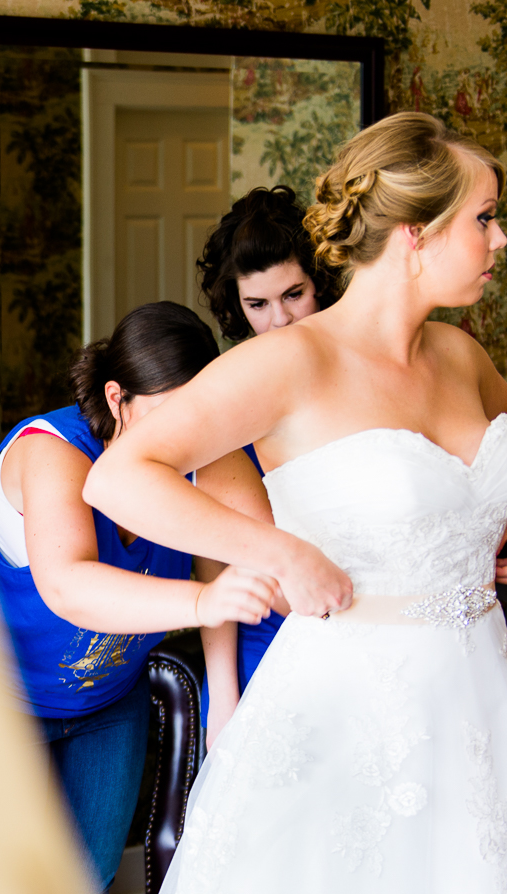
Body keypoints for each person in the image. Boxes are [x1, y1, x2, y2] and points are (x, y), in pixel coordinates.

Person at [85, 112, 507, 894]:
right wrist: (272, 550)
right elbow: (121, 477)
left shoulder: (458, 354)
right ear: (417, 236)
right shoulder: (290, 363)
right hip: (347, 709)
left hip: (483, 704)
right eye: (485, 219)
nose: (501, 240)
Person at [0, 301, 279, 894]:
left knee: (88, 884)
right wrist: (200, 603)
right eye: (166, 415)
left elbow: (234, 555)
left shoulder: (202, 453)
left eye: (199, 417)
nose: (183, 437)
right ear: (117, 399)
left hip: (108, 701)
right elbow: (69, 585)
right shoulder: (51, 452)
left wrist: (224, 701)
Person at [193, 187, 341, 745]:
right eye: (258, 305)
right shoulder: (232, 392)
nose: (280, 320)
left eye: (294, 294)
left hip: (363, 614)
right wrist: (224, 690)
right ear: (236, 305)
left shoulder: (362, 368)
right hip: (266, 633)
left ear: (321, 282)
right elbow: (215, 553)